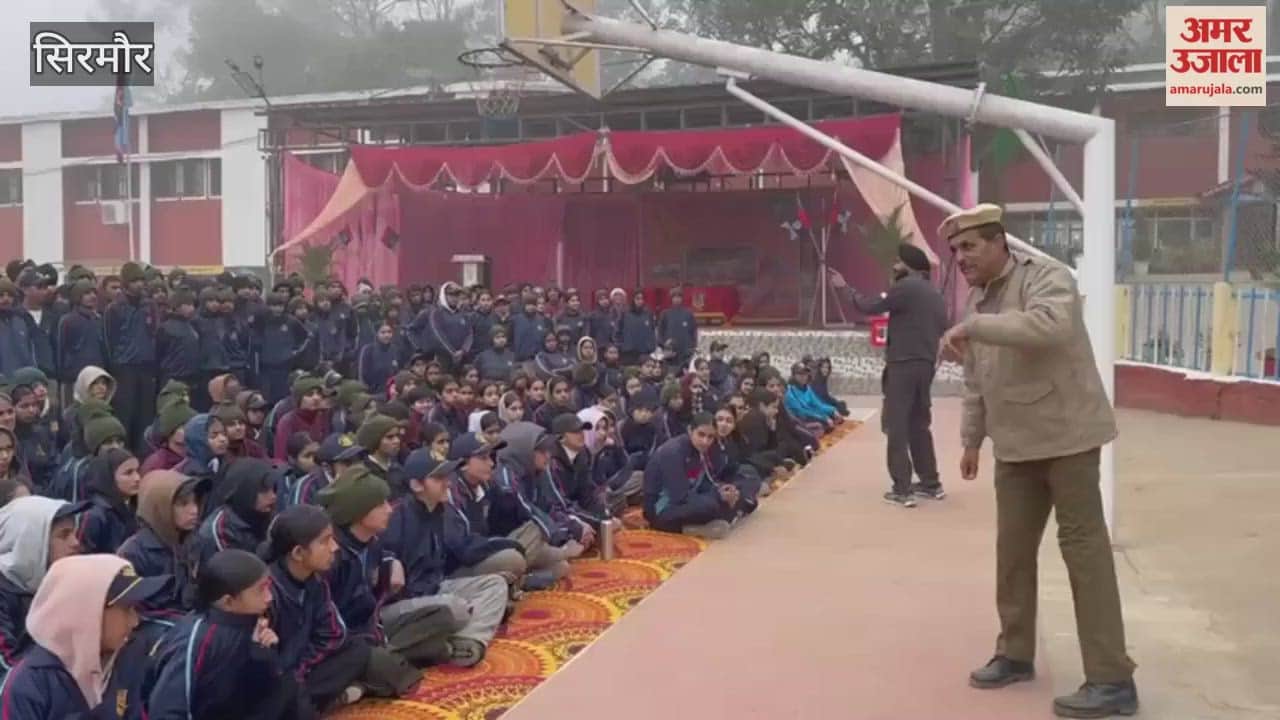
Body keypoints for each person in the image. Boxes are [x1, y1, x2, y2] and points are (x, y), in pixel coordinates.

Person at [938, 203, 1136, 718]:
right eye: (955, 251)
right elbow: (977, 380)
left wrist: (976, 326)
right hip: (1015, 447)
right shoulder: (979, 303)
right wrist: (971, 440)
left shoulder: (1047, 277)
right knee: (1013, 554)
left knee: (1084, 555)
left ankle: (1112, 679)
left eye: (970, 246)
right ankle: (1015, 653)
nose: (961, 258)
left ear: (999, 242)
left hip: (1068, 438)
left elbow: (1050, 326)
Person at [263, 505, 412, 713]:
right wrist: (294, 674)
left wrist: (304, 666)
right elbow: (262, 661)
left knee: (360, 650)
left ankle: (328, 696)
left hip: (303, 669)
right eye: (325, 541)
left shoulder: (315, 581)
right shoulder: (265, 593)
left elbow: (333, 634)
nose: (334, 547)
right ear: (298, 553)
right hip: (276, 679)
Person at [830, 243, 947, 506]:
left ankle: (901, 489)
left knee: (896, 426)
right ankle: (931, 483)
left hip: (902, 365)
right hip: (925, 365)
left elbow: (870, 305)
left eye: (898, 261)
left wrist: (844, 288)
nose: (894, 266)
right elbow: (943, 325)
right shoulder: (935, 294)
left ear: (909, 266)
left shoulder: (905, 287)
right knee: (919, 424)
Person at [381, 452, 511, 667]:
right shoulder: (397, 516)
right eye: (438, 478)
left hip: (435, 590)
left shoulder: (441, 511)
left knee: (495, 585)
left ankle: (466, 642)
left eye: (447, 477)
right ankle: (441, 640)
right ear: (416, 485)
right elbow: (382, 557)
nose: (447, 483)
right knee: (455, 607)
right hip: (403, 604)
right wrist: (390, 561)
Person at [0, 555, 167, 720]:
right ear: (89, 612)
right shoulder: (30, 684)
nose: (135, 621)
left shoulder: (128, 660)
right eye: (127, 608)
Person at [146, 549, 305, 720]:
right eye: (261, 590)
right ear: (228, 602)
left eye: (268, 587)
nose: (269, 597)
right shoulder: (196, 640)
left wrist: (265, 654)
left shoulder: (254, 621)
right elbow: (166, 710)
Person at [0, 496, 86, 682]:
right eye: (64, 535)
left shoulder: (56, 582)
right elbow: (7, 666)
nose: (75, 542)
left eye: (74, 533)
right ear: (30, 542)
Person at [117, 470, 206, 619]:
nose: (194, 510)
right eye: (183, 504)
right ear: (159, 507)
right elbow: (134, 611)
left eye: (196, 502)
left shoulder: (194, 541)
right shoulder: (133, 553)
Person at [642, 412, 742, 539]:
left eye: (710, 437)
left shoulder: (700, 449)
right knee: (711, 506)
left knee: (733, 497)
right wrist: (717, 496)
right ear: (690, 430)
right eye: (701, 435)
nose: (705, 441)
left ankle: (699, 525)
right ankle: (690, 529)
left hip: (685, 500)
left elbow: (704, 482)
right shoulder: (673, 452)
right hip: (661, 509)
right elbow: (679, 496)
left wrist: (722, 490)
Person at [194, 458, 277, 566]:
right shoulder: (219, 530)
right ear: (245, 491)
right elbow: (240, 570)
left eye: (273, 489)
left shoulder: (264, 514)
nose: (273, 496)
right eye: (263, 490)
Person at [77, 448, 141, 554]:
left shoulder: (134, 507)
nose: (137, 478)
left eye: (137, 471)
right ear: (109, 477)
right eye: (128, 473)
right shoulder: (95, 516)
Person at [657, 288, 698, 370]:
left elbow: (694, 331)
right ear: (671, 298)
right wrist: (663, 345)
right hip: (670, 353)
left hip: (685, 352)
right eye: (675, 297)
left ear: (682, 298)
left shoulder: (688, 314)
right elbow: (660, 332)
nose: (677, 299)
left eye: (679, 297)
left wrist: (692, 347)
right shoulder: (665, 314)